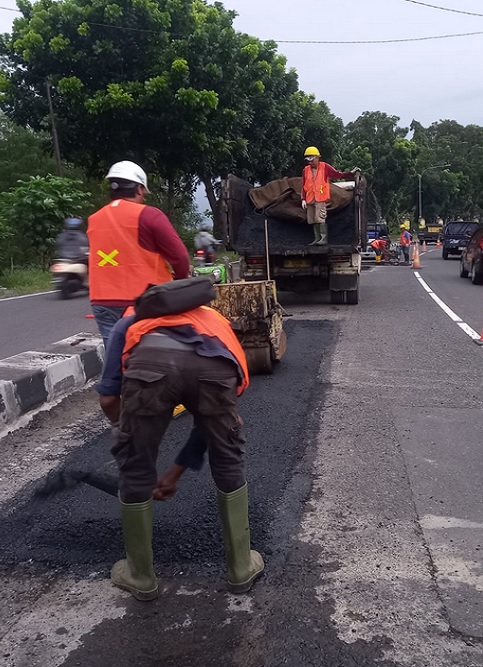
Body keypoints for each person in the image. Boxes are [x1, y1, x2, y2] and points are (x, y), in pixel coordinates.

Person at [95, 286, 263, 601]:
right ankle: (241, 568)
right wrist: (175, 474)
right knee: (228, 457)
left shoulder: (128, 320)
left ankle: (141, 577)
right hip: (214, 365)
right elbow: (207, 426)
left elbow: (108, 398)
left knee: (137, 467)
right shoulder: (212, 318)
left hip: (149, 365)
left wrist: (126, 440)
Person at [87, 160, 191, 349]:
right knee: (152, 355)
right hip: (146, 300)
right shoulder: (150, 215)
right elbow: (180, 256)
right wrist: (181, 281)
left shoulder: (94, 219)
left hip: (102, 300)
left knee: (115, 358)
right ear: (140, 189)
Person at [300, 146, 357, 246]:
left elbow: (337, 174)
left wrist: (350, 173)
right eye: (308, 160)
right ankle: (317, 239)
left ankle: (323, 238)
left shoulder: (324, 167)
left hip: (320, 199)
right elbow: (304, 185)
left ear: (317, 158)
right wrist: (303, 199)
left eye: (312, 160)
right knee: (312, 219)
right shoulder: (306, 170)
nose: (310, 162)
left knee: (320, 218)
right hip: (310, 199)